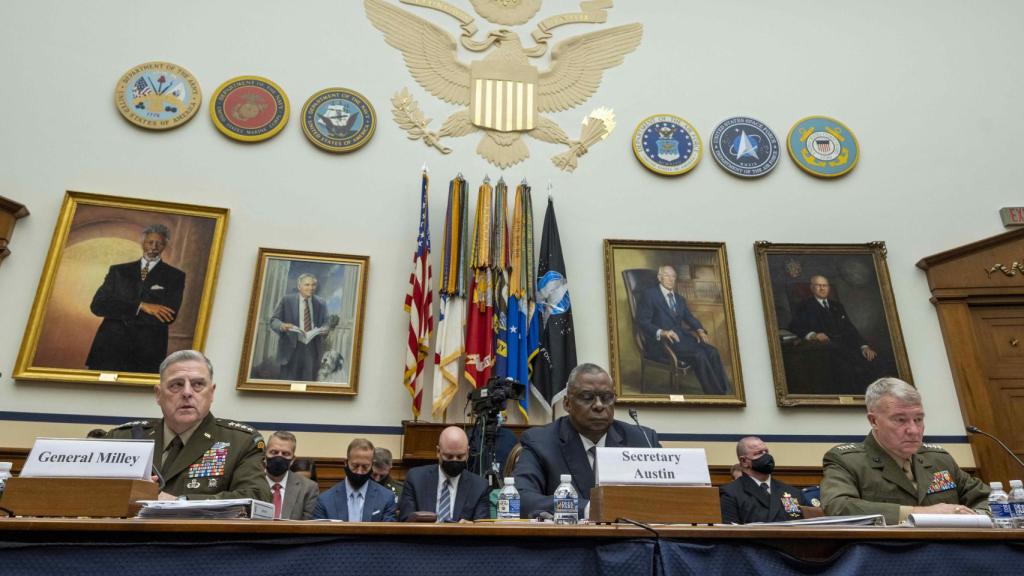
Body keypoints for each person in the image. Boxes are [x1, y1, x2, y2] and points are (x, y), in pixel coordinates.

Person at [821, 377, 990, 525]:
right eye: (900, 420)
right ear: (874, 421)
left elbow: (991, 498)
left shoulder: (938, 459)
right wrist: (922, 513)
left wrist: (973, 517)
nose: (914, 430)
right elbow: (838, 507)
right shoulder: (848, 461)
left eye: (918, 419)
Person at [106, 350, 269, 501]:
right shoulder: (124, 439)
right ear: (158, 394)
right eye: (176, 384)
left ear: (211, 393)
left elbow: (256, 497)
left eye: (198, 384)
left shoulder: (240, 442)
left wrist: (180, 503)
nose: (187, 393)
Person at [514, 363, 660, 519]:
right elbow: (520, 498)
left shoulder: (642, 440)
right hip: (571, 541)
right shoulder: (540, 442)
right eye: (587, 397)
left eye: (606, 398)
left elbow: (670, 496)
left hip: (634, 539)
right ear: (567, 403)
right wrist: (587, 509)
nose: (599, 405)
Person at [86, 224, 186, 373]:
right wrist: (141, 306)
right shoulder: (118, 271)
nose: (154, 247)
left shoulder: (175, 276)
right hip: (109, 349)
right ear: (142, 243)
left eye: (159, 243)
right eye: (150, 242)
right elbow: (98, 305)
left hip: (147, 353)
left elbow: (168, 316)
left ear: (165, 246)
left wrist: (118, 309)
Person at [635, 265, 731, 394]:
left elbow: (689, 318)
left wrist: (699, 330)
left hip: (682, 339)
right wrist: (662, 332)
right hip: (661, 343)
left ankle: (726, 392)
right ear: (659, 277)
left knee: (713, 351)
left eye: (673, 276)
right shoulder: (649, 295)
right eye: (667, 275)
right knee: (699, 354)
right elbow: (642, 322)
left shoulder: (679, 299)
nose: (671, 279)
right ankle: (714, 394)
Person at [788, 275, 881, 395]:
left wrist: (864, 346)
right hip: (826, 350)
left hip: (847, 347)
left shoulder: (837, 305)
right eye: (818, 285)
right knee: (846, 370)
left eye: (825, 285)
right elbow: (794, 326)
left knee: (874, 361)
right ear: (812, 288)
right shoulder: (805, 306)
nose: (822, 288)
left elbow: (850, 328)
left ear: (829, 288)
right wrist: (813, 335)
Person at [399, 426, 490, 522]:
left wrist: (470, 527)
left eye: (460, 456)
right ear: (438, 452)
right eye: (449, 456)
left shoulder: (479, 486)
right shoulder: (416, 479)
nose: (454, 460)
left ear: (467, 452)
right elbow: (406, 521)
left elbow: (482, 526)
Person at [719, 437, 808, 524]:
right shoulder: (731, 493)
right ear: (744, 461)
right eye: (759, 453)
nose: (766, 456)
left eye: (766, 451)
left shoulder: (793, 493)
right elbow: (730, 533)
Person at [311, 438, 398, 522]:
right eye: (355, 466)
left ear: (372, 465)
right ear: (346, 463)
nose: (359, 472)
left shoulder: (386, 498)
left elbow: (388, 534)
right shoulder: (325, 500)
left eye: (365, 467)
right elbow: (319, 535)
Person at [269, 273, 329, 381]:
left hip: (312, 349)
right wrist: (282, 325)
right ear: (299, 286)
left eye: (313, 285)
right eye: (307, 285)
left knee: (308, 383)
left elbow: (326, 323)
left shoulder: (321, 303)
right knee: (287, 384)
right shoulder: (287, 300)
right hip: (290, 349)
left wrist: (325, 329)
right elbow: (273, 321)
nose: (311, 288)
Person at [264, 430, 319, 520]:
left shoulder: (308, 488)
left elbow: (308, 527)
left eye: (285, 454)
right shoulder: (250, 483)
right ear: (265, 455)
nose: (279, 457)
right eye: (274, 452)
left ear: (292, 460)